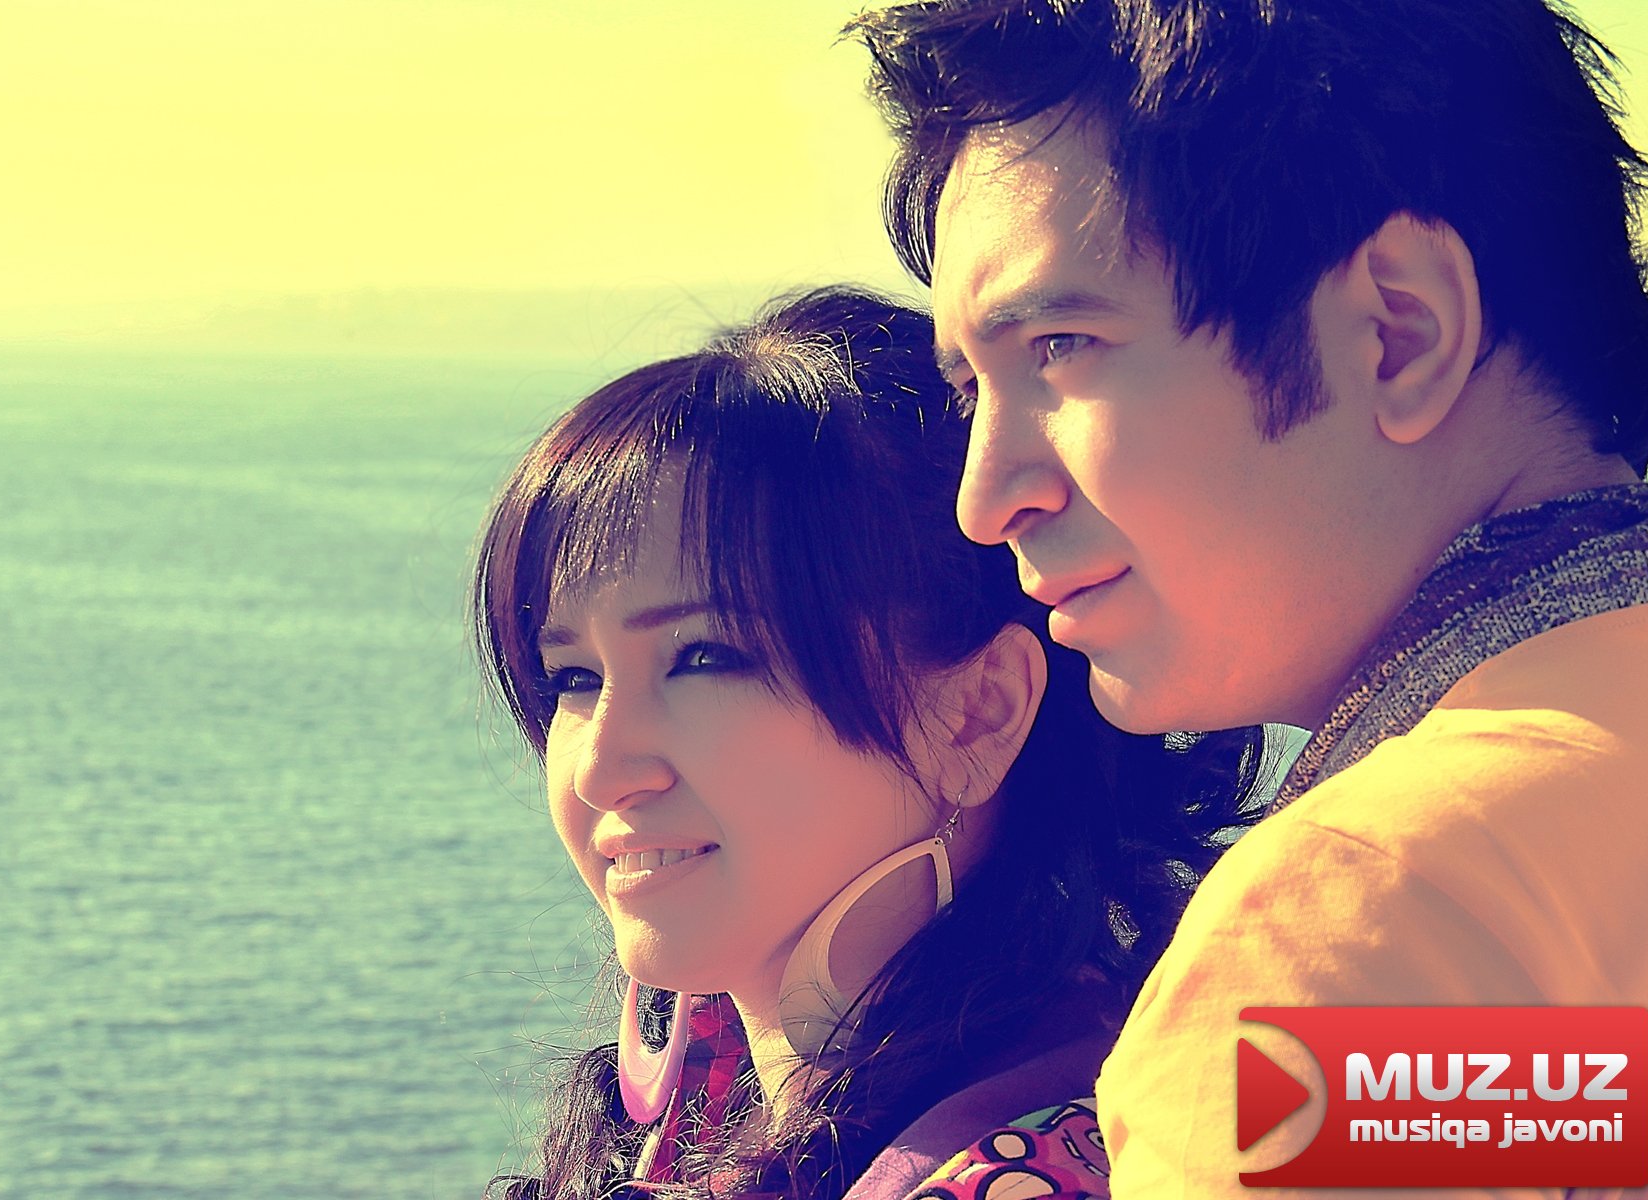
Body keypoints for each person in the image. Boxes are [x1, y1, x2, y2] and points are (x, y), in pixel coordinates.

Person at [848, 0, 1648, 1194]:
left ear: (1395, 331)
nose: (984, 498)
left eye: (1060, 347)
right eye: (971, 389)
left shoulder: (1352, 941)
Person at [472, 287, 1261, 1199]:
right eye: (572, 677)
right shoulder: (693, 1120)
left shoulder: (1050, 1165)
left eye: (704, 657)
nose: (602, 769)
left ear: (976, 713)